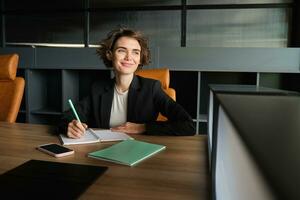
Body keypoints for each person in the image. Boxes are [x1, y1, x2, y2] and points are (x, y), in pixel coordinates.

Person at [58, 27, 195, 138]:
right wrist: (70, 126)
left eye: (135, 52)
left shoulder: (151, 88)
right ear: (110, 55)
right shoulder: (98, 88)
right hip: (103, 152)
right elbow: (66, 117)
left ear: (140, 59)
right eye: (122, 50)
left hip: (139, 152)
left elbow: (188, 125)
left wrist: (143, 127)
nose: (129, 57)